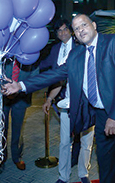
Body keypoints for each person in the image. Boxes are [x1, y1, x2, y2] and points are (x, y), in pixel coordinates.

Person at [2, 14, 115, 183]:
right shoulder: (76, 54)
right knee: (106, 169)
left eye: (84, 25)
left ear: (93, 25)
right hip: (100, 118)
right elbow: (54, 74)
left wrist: (114, 117)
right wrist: (21, 86)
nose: (80, 30)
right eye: (76, 28)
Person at [40, 19, 94, 183]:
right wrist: (49, 98)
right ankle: (63, 176)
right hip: (66, 102)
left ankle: (83, 174)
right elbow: (59, 78)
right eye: (59, 31)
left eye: (66, 30)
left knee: (86, 142)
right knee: (65, 142)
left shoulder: (81, 49)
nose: (63, 33)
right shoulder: (56, 49)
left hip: (87, 105)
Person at [2, 58, 39, 170]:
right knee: (1, 128)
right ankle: (1, 158)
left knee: (17, 129)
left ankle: (17, 157)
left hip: (21, 98)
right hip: (2, 96)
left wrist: (18, 90)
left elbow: (34, 78)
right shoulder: (4, 56)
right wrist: (4, 89)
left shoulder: (31, 56)